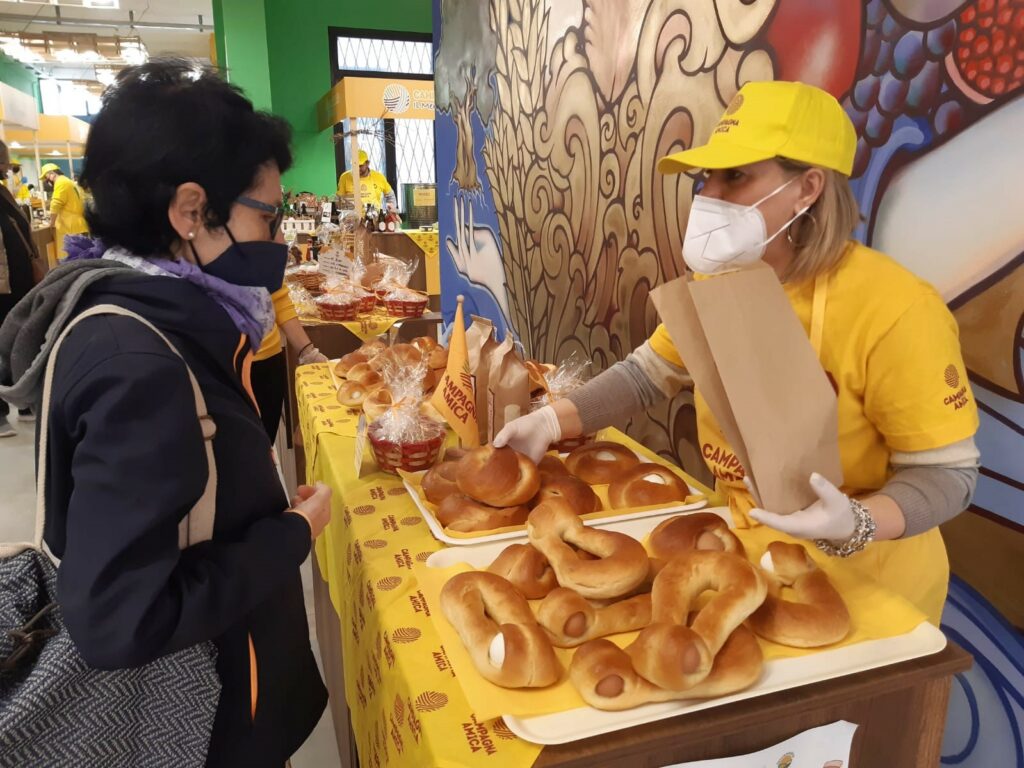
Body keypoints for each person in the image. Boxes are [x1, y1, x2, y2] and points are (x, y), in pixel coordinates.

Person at [495, 81, 979, 625]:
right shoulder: (720, 282)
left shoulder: (894, 309)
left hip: (871, 587)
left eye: (737, 176)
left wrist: (857, 522)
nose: (709, 196)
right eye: (707, 177)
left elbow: (947, 475)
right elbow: (647, 375)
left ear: (807, 189)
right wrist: (549, 424)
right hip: (746, 559)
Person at [0, 60, 330, 766]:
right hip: (202, 716)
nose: (278, 242)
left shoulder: (143, 320)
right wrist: (292, 534)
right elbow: (120, 618)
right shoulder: (140, 365)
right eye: (266, 217)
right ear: (190, 211)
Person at [0, 142, 40, 436]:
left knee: (18, 337)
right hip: (4, 282)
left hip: (18, 280)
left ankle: (23, 400)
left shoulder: (4, 193)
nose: (6, 166)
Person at [40, 162, 89, 260]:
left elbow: (56, 204)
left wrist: (51, 223)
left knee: (70, 261)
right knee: (82, 259)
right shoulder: (69, 181)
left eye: (46, 177)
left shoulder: (61, 182)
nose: (47, 180)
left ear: (52, 173)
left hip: (69, 227)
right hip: (79, 225)